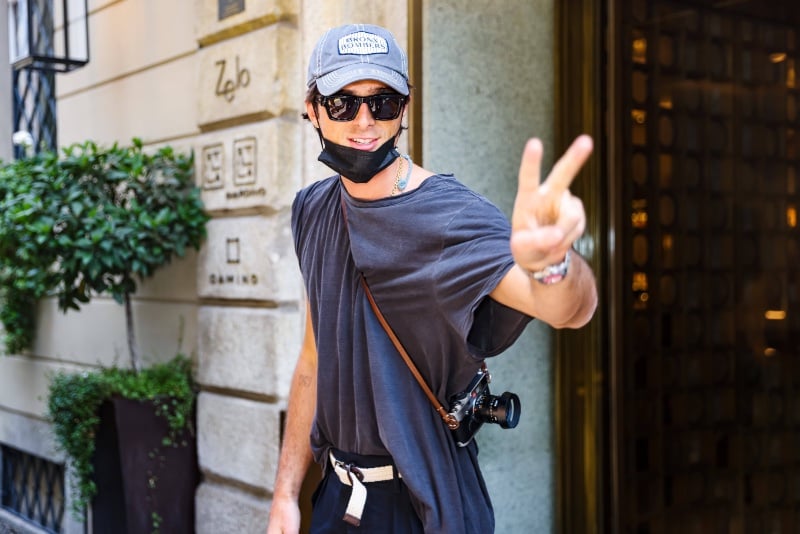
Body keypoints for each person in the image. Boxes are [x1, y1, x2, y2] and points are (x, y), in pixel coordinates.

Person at [267, 23, 597, 534]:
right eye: (341, 103)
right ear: (312, 108)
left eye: (382, 103)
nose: (364, 121)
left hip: (424, 502)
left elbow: (571, 310)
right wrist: (287, 493)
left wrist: (554, 263)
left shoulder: (448, 216)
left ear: (404, 109)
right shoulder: (312, 210)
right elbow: (313, 358)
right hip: (336, 497)